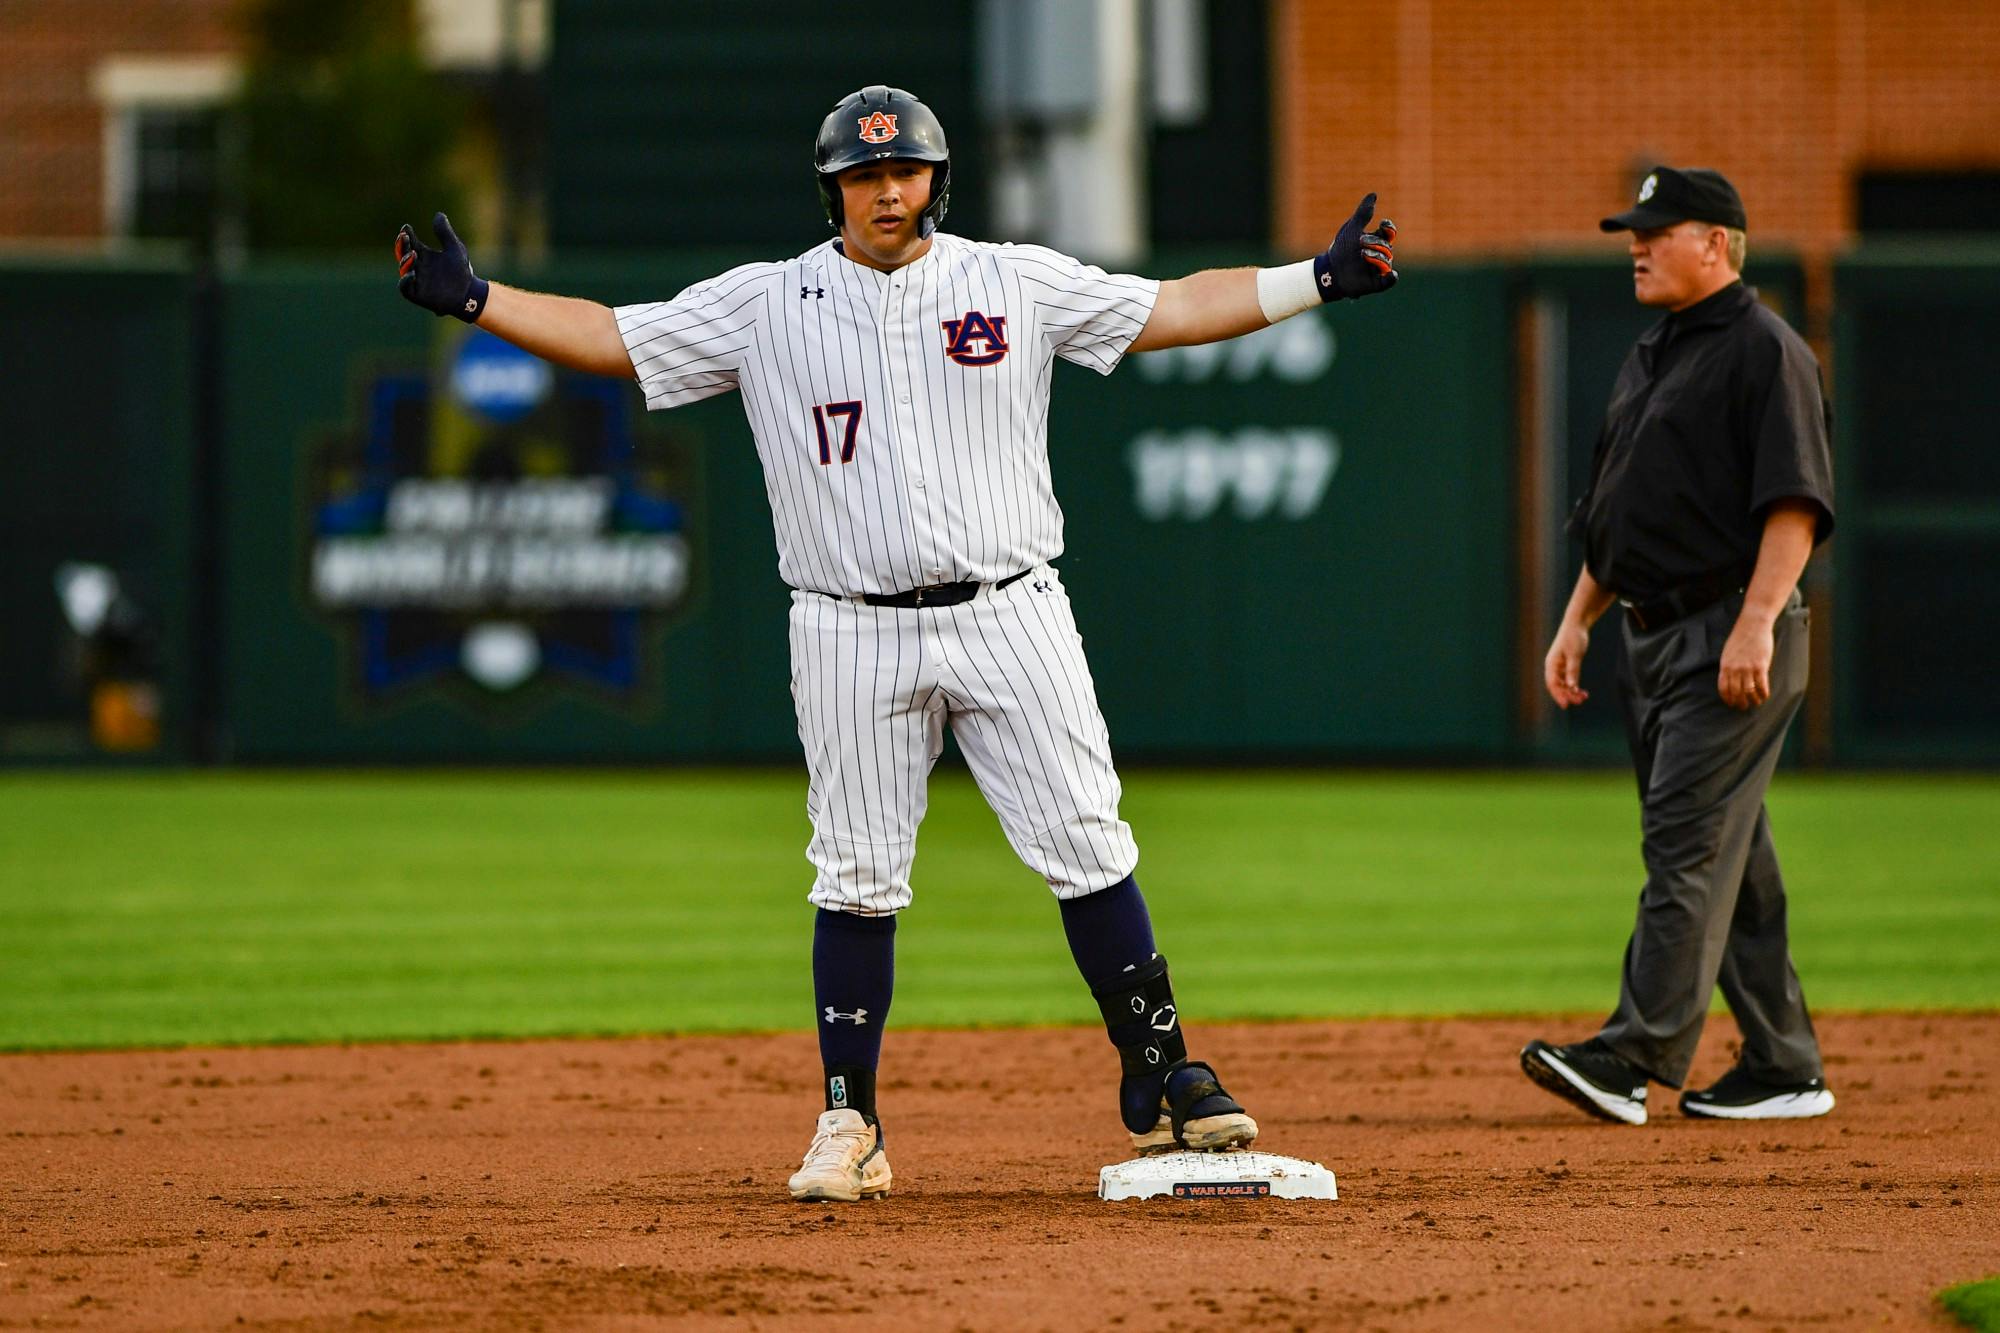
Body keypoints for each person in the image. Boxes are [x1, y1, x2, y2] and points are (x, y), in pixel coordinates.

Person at [395, 85, 1399, 1199]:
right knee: (857, 874)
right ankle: (849, 1120)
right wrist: (479, 299)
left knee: (1087, 841)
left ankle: (1161, 1077)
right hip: (846, 622)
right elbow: (614, 338)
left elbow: (1166, 306)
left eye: (904, 171)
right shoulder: (767, 304)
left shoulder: (1008, 279)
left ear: (936, 179)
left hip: (1009, 605)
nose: (887, 191)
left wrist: (1311, 279)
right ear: (832, 190)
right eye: (864, 176)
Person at [1520, 166, 1836, 1126]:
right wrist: (1579, 616)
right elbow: (1618, 510)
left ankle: (1633, 1055)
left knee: (1686, 844)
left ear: (1718, 242)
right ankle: (1784, 1064)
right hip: (1654, 633)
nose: (1637, 245)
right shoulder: (1656, 350)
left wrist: (1755, 621)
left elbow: (1795, 503)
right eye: (1634, 230)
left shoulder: (1765, 350)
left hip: (1731, 631)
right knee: (1731, 860)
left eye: (1659, 230)